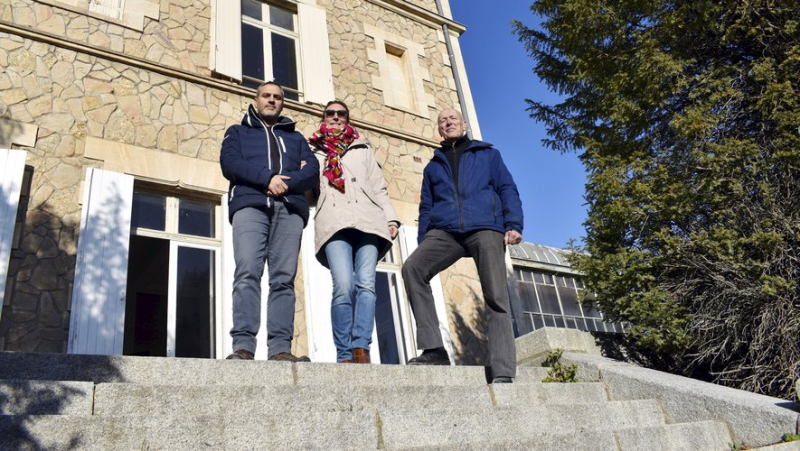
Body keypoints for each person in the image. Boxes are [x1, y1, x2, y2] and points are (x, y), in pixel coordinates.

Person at [401, 107, 523, 384]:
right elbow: (427, 207)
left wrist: (513, 223)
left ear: (463, 124)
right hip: (446, 232)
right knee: (412, 269)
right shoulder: (433, 165)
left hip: (485, 227)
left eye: (452, 118)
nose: (448, 123)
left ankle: (502, 369)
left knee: (496, 296)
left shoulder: (488, 154)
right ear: (439, 129)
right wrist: (424, 242)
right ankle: (434, 350)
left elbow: (507, 188)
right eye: (443, 121)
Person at [220, 81, 319, 362]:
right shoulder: (237, 132)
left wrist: (285, 184)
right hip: (251, 205)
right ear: (256, 99)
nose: (272, 100)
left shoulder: (297, 138)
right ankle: (243, 346)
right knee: (248, 272)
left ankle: (280, 349)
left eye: (277, 97)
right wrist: (267, 178)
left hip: (289, 209)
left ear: (282, 103)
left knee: (283, 281)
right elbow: (230, 164)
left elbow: (312, 171)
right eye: (266, 95)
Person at [308, 100, 400, 364]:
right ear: (323, 117)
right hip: (334, 221)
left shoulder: (362, 148)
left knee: (367, 284)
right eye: (331, 113)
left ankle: (361, 347)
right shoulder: (314, 149)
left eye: (341, 113)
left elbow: (379, 187)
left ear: (347, 118)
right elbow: (309, 192)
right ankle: (344, 352)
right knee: (344, 285)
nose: (336, 117)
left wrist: (391, 218)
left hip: (369, 220)